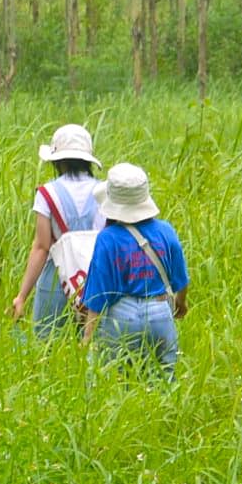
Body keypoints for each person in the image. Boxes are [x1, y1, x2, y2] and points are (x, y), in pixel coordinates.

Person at [80, 162, 190, 382]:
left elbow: (98, 294)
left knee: (115, 379)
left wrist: (88, 336)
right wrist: (181, 302)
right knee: (164, 379)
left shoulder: (108, 238)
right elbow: (181, 278)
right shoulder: (165, 230)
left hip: (122, 316)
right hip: (160, 311)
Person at [7, 122, 106, 340]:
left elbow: (41, 247)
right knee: (95, 347)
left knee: (48, 345)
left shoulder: (47, 193)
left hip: (56, 279)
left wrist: (22, 296)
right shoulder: (103, 191)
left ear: (57, 160)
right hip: (97, 277)